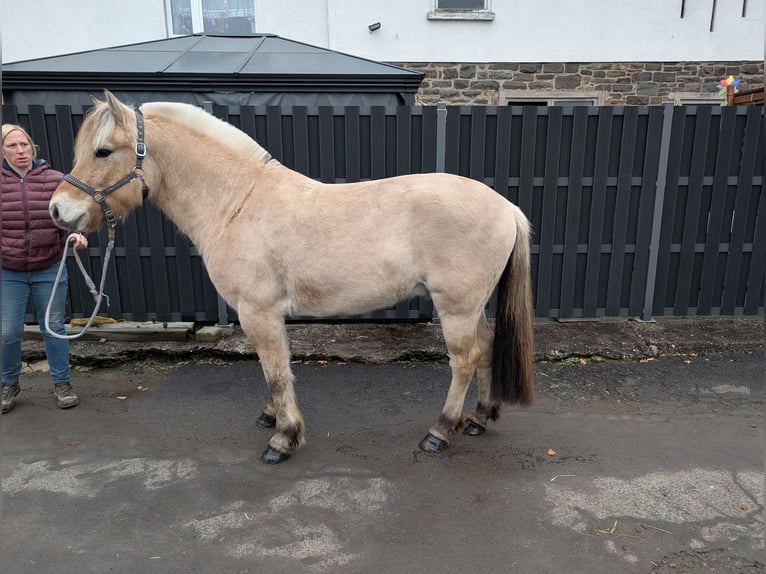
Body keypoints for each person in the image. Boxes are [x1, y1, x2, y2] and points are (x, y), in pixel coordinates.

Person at [1, 123, 88, 414]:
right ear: (3, 150)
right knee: (8, 332)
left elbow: (74, 213)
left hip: (49, 266)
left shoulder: (55, 179)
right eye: (12, 146)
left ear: (32, 147)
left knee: (54, 329)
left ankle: (62, 384)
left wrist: (77, 232)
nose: (20, 150)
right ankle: (8, 384)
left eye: (24, 144)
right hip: (8, 270)